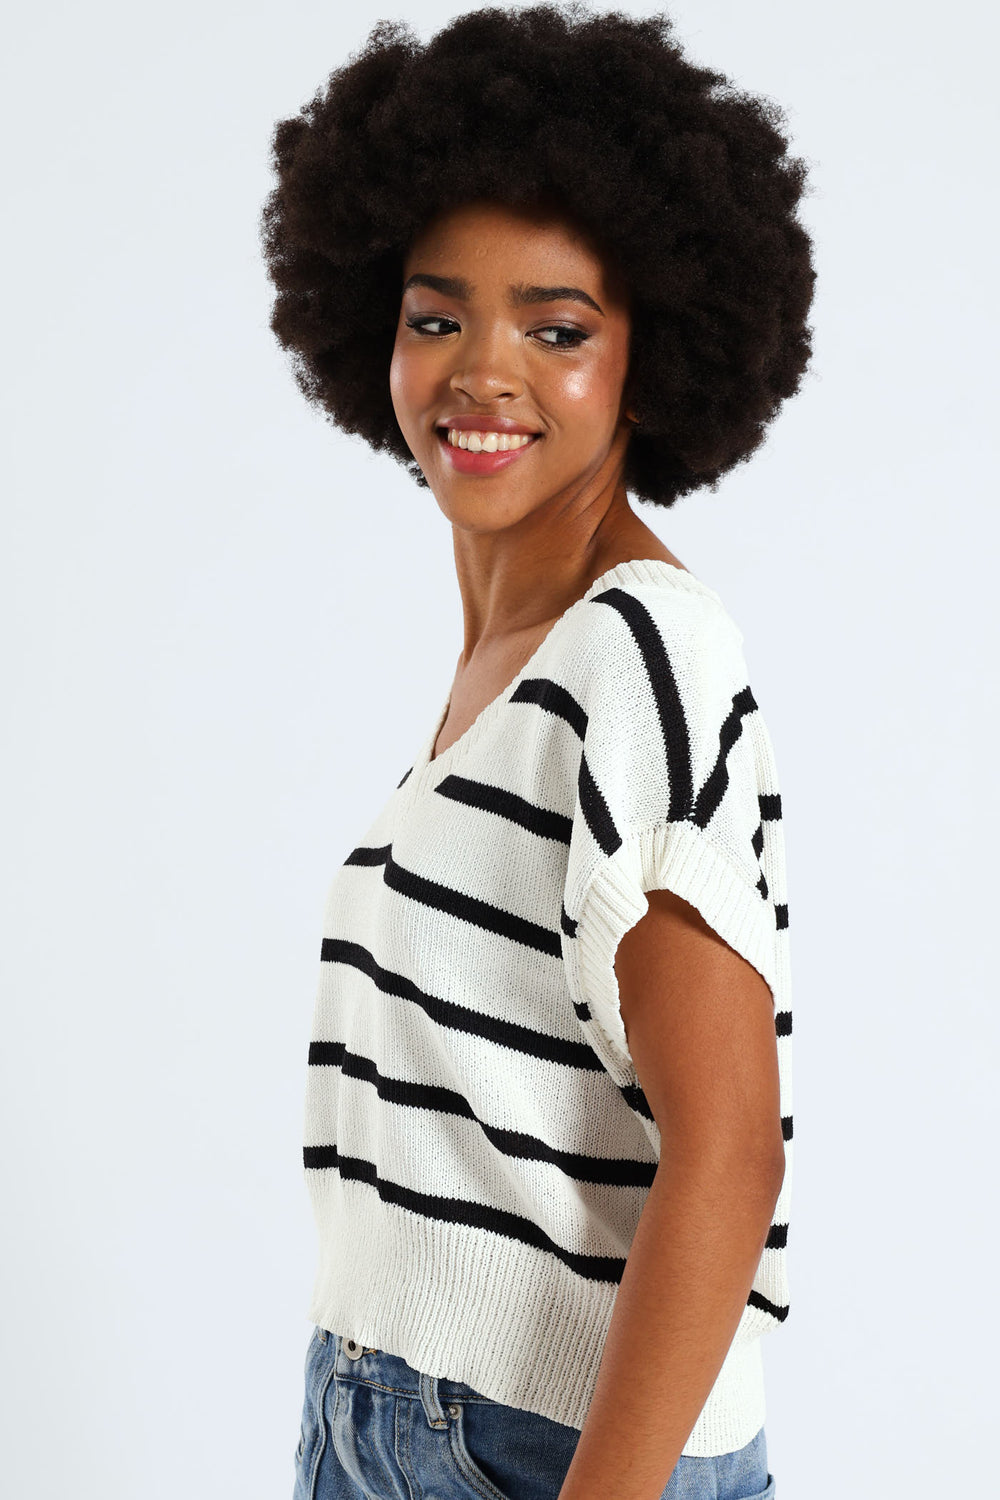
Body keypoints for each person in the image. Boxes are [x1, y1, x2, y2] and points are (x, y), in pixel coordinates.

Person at [259, 5, 813, 1497]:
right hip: (394, 1414)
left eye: (557, 331)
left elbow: (729, 1152)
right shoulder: (514, 667)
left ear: (650, 356)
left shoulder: (641, 650)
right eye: (438, 318)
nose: (482, 373)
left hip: (535, 1449)